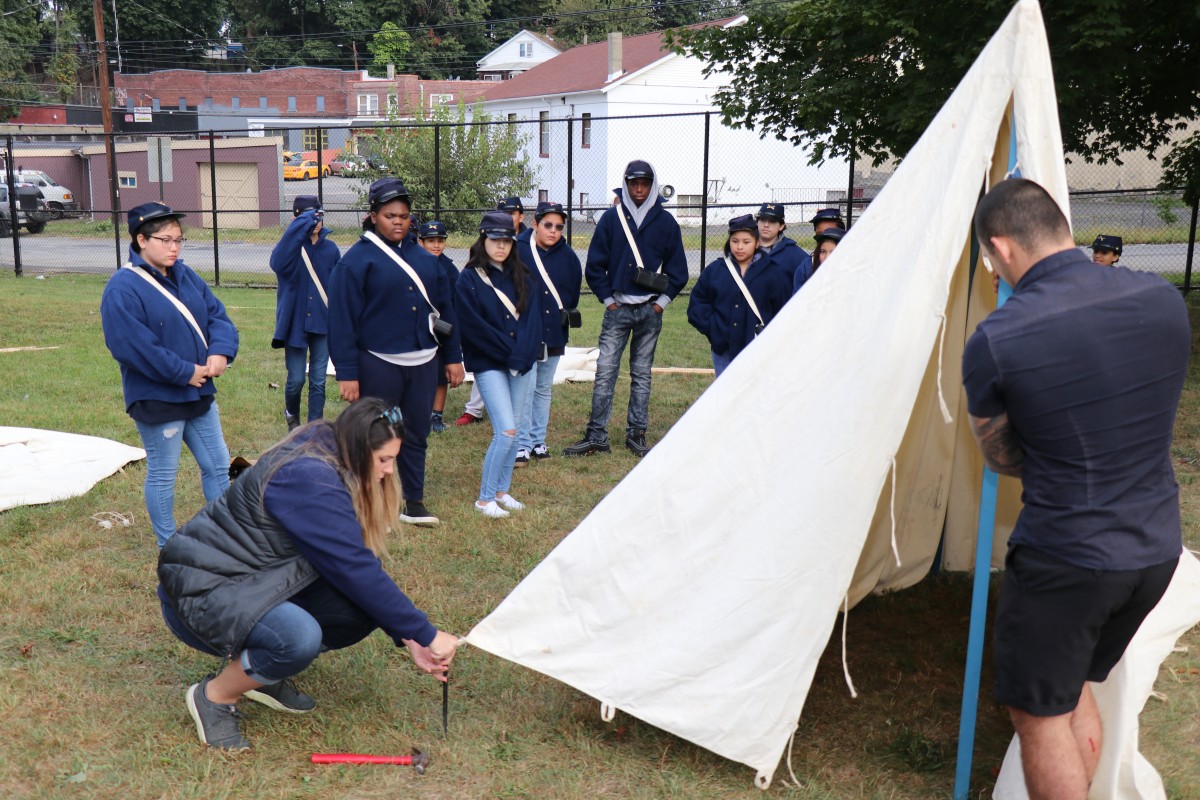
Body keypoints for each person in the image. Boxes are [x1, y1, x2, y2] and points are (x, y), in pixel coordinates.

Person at [962, 178, 1187, 800]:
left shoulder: (998, 341)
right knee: (1075, 689)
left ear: (1000, 248)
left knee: (1038, 717)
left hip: (1070, 557)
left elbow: (1003, 457)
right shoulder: (1161, 297)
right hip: (1156, 547)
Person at [157, 398, 459, 750]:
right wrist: (425, 632)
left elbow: (352, 565)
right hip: (202, 592)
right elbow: (353, 567)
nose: (390, 471)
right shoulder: (309, 477)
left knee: (360, 610)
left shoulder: (333, 448)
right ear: (360, 449)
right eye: (384, 460)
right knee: (297, 638)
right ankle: (215, 696)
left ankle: (258, 675)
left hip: (256, 579)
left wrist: (409, 635)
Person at [100, 202, 239, 548]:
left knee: (218, 465)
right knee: (165, 474)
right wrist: (183, 372)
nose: (174, 247)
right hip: (158, 398)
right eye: (165, 240)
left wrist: (220, 350)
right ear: (141, 240)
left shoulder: (186, 275)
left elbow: (217, 316)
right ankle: (169, 547)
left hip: (199, 394)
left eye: (179, 240)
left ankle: (226, 539)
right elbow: (133, 347)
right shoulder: (122, 288)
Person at [329, 178, 465, 527]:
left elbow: (446, 311)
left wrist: (453, 357)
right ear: (373, 216)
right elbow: (342, 320)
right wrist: (347, 372)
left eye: (404, 215)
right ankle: (368, 498)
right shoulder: (355, 262)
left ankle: (411, 499)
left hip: (422, 363)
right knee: (376, 433)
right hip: (377, 363)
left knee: (415, 431)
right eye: (390, 215)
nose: (398, 221)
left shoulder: (426, 260)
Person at [564, 159, 688, 458]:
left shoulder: (666, 223)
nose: (640, 189)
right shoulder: (611, 219)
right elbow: (594, 266)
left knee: (642, 374)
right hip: (617, 309)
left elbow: (679, 270)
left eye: (645, 183)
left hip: (649, 310)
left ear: (653, 184)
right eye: (634, 183)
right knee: (605, 371)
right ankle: (597, 436)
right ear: (627, 184)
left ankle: (637, 434)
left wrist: (660, 304)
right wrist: (609, 300)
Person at [455, 212, 543, 517]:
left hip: (521, 362)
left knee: (515, 431)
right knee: (504, 430)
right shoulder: (468, 278)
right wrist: (514, 353)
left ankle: (502, 492)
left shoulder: (523, 273)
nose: (501, 246)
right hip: (490, 363)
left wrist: (524, 354)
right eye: (495, 240)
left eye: (507, 240)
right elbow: (474, 327)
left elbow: (533, 321)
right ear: (484, 240)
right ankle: (484, 498)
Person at [515, 201, 583, 466]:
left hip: (554, 331)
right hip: (526, 332)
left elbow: (572, 293)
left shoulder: (568, 257)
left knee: (543, 388)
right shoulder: (518, 250)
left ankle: (537, 441)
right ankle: (521, 445)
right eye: (548, 225)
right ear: (535, 224)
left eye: (558, 227)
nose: (553, 231)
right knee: (525, 388)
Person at [269, 195, 340, 432]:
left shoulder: (331, 249)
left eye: (318, 215)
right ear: (296, 219)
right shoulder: (289, 250)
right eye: (308, 217)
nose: (315, 222)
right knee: (296, 379)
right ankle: (292, 417)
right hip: (295, 323)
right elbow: (277, 264)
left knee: (318, 380)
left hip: (323, 322)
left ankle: (314, 428)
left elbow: (337, 286)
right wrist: (297, 230)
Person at [688, 215, 792, 376]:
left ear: (757, 243)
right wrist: (714, 329)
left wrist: (769, 336)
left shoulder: (773, 272)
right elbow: (698, 303)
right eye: (735, 241)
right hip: (723, 350)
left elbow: (783, 310)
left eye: (746, 242)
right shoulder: (716, 270)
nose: (740, 247)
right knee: (726, 395)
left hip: (758, 350)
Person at [417, 220, 461, 433]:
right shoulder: (413, 263)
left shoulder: (449, 268)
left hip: (442, 328)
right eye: (431, 241)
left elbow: (455, 299)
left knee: (441, 375)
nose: (436, 245)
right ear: (420, 241)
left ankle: (436, 415)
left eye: (440, 241)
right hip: (417, 328)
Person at [756, 202, 813, 290]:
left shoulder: (795, 254)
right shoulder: (745, 250)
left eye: (772, 221)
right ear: (757, 223)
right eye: (763, 220)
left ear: (781, 226)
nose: (766, 225)